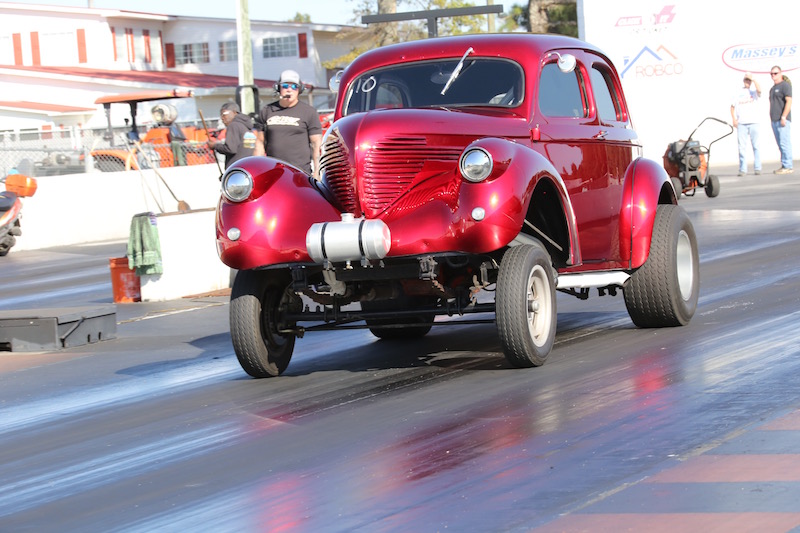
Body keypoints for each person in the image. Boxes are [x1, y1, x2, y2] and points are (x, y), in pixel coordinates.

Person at [254, 69, 322, 179]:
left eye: (294, 86)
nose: (289, 90)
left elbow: (316, 144)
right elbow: (259, 142)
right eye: (285, 86)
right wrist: (257, 170)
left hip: (301, 174)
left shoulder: (309, 112)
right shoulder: (267, 111)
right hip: (274, 172)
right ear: (278, 88)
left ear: (300, 89)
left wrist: (317, 171)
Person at [730, 72, 762, 176]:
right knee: (741, 147)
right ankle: (743, 169)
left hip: (754, 122)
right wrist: (734, 119)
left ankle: (758, 167)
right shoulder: (738, 92)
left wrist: (753, 80)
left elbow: (760, 90)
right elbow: (732, 107)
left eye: (749, 80)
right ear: (743, 81)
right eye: (746, 80)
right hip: (742, 123)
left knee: (756, 146)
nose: (747, 82)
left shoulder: (754, 92)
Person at [208, 102, 256, 169]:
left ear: (234, 112)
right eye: (221, 115)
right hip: (247, 167)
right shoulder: (246, 126)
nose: (222, 118)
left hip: (236, 168)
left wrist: (215, 146)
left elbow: (230, 149)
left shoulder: (233, 125)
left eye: (224, 114)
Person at [769, 66, 793, 174]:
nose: (773, 75)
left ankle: (788, 166)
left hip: (782, 119)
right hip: (774, 120)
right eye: (772, 74)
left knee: (784, 143)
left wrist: (784, 116)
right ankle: (784, 164)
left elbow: (789, 101)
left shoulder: (785, 86)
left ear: (780, 73)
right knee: (780, 144)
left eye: (775, 73)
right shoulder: (772, 89)